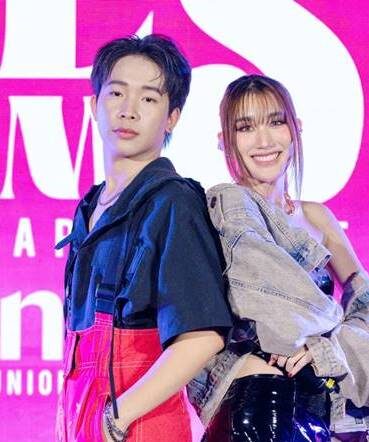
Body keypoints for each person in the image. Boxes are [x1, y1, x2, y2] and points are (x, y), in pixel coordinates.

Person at [189, 75, 369, 441]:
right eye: (245, 127)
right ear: (223, 141)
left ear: (296, 130)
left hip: (326, 409)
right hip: (258, 403)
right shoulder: (222, 212)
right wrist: (307, 338)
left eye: (275, 122)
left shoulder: (317, 218)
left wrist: (327, 348)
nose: (264, 141)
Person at [55, 34, 233, 442]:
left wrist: (115, 420)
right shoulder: (91, 205)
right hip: (83, 421)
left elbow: (202, 335)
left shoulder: (173, 201)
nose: (129, 110)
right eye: (116, 93)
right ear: (94, 105)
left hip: (140, 426)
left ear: (172, 118)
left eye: (149, 99)